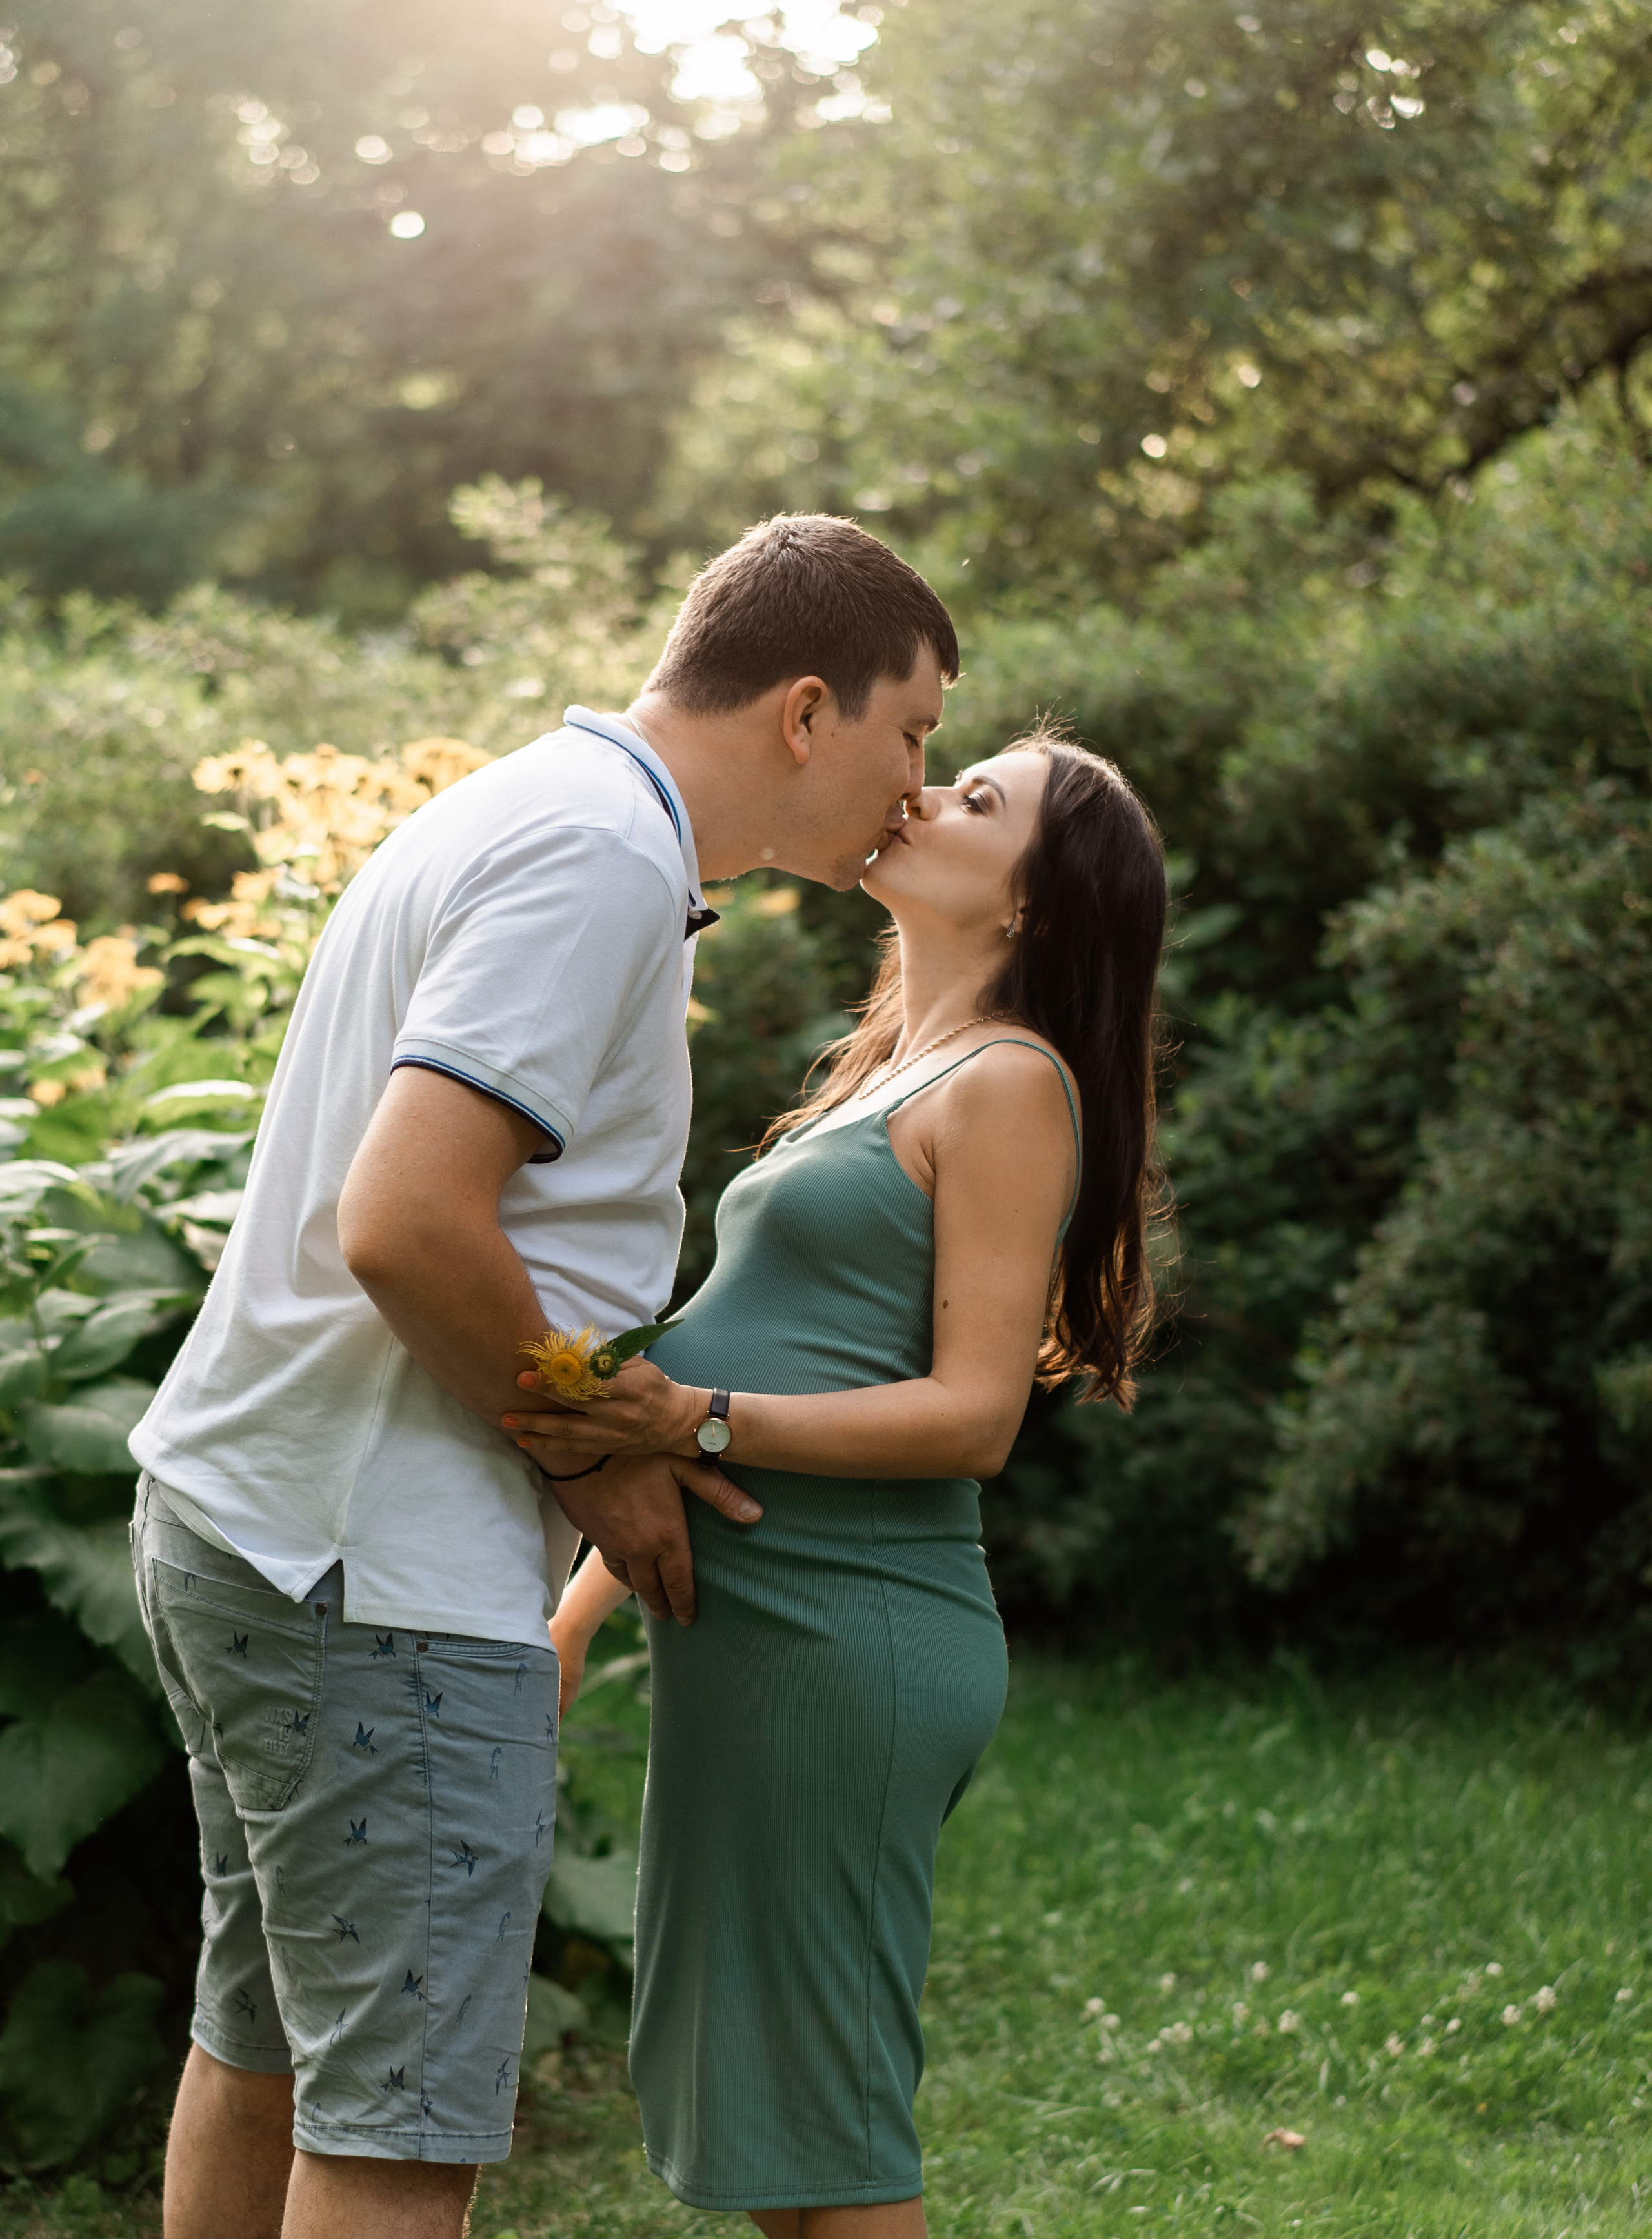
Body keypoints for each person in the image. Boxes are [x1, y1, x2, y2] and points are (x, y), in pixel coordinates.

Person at [125, 514, 959, 2239]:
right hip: (374, 1574)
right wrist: (589, 1455)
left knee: (267, 2049)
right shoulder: (598, 858)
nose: (917, 780)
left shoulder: (540, 807)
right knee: (392, 2135)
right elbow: (408, 1218)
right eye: (915, 731)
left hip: (252, 1518)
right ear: (808, 709)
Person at [528, 727, 1169, 2237]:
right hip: (754, 1644)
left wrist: (694, 1420)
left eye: (979, 798)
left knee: (827, 2118)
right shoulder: (887, 1066)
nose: (926, 793)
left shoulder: (1011, 1084)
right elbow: (759, 1348)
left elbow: (968, 1418)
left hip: (850, 1638)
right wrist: (573, 1623)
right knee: (769, 2106)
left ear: (1029, 902)